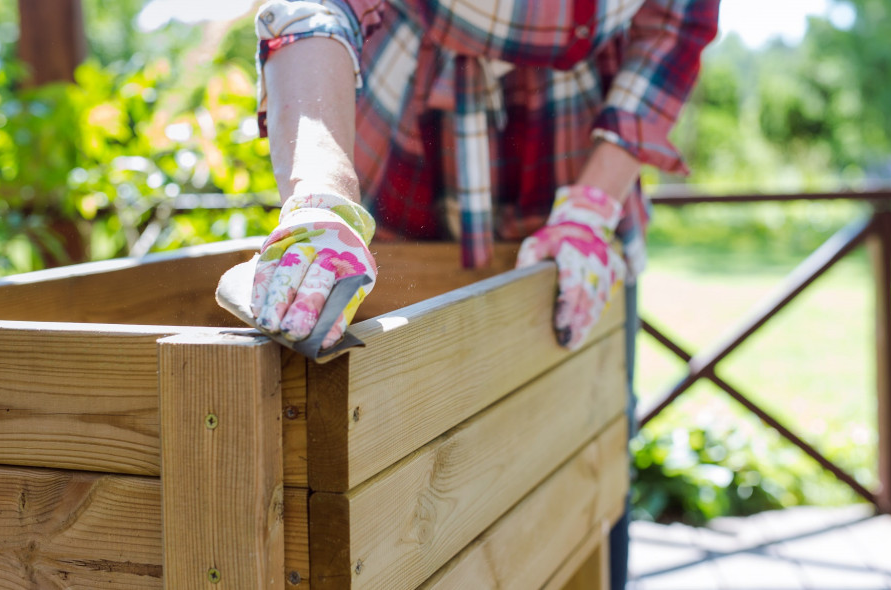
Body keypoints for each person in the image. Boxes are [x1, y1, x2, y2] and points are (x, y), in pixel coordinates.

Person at [242, 0, 719, 587]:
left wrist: (591, 207)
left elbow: (674, 27)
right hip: (410, 133)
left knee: (584, 446)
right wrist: (321, 194)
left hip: (573, 146)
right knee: (402, 473)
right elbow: (316, 9)